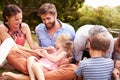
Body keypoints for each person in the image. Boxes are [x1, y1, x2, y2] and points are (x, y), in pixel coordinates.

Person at [2, 34, 77, 80]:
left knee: (35, 65)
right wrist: (46, 50)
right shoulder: (55, 50)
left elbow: (54, 60)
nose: (55, 43)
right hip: (43, 63)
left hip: (49, 67)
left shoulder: (63, 52)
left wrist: (47, 55)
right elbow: (45, 53)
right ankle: (32, 78)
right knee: (30, 58)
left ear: (62, 43)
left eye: (56, 41)